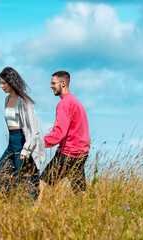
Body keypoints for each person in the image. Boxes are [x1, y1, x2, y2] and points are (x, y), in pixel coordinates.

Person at [0, 67, 46, 200]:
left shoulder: (24, 102)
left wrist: (26, 150)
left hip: (23, 143)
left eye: (4, 83)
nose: (1, 86)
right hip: (11, 143)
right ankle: (12, 204)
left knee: (26, 183)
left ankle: (28, 211)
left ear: (11, 81)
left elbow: (32, 128)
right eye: (0, 83)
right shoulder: (6, 100)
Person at [38, 70, 90, 201]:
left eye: (53, 83)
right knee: (80, 192)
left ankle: (34, 214)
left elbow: (59, 132)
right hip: (80, 153)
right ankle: (89, 213)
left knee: (42, 184)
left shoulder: (64, 104)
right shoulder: (76, 102)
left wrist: (39, 142)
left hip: (67, 154)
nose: (51, 86)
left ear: (63, 83)